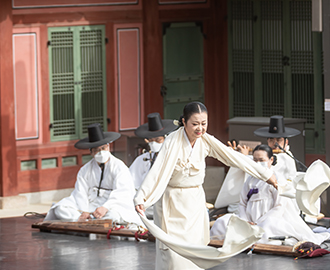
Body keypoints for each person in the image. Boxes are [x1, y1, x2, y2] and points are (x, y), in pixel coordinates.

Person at [134, 102, 278, 270]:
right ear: (184, 122)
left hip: (194, 203)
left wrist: (265, 174)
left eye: (204, 123)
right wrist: (141, 197)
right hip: (172, 204)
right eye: (195, 124)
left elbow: (232, 156)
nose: (200, 128)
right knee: (173, 256)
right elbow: (157, 171)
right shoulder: (173, 141)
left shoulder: (205, 141)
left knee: (194, 254)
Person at [210, 144, 330, 246]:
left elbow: (279, 206)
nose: (257, 163)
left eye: (261, 160)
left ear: (271, 160)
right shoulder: (250, 180)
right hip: (249, 221)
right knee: (223, 222)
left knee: (267, 228)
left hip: (268, 219)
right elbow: (242, 203)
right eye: (255, 160)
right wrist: (246, 220)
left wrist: (260, 222)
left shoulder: (276, 179)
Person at [44, 123, 142, 227]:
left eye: (103, 148)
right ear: (91, 152)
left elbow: (122, 193)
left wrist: (105, 207)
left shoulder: (119, 167)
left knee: (113, 215)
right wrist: (84, 211)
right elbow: (80, 192)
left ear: (108, 147)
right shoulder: (85, 170)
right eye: (97, 150)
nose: (101, 153)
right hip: (90, 205)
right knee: (60, 208)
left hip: (110, 206)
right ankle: (85, 220)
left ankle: (90, 223)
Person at [215, 115, 301, 214]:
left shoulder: (286, 157)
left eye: (279, 140)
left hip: (277, 199)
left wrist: (243, 157)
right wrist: (235, 154)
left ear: (286, 142)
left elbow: (260, 168)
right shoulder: (268, 153)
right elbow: (255, 161)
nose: (275, 144)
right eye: (271, 140)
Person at [129, 113, 177, 218]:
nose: (154, 143)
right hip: (145, 205)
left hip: (167, 202)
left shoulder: (174, 157)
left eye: (158, 140)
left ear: (165, 138)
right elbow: (131, 183)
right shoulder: (142, 159)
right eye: (151, 140)